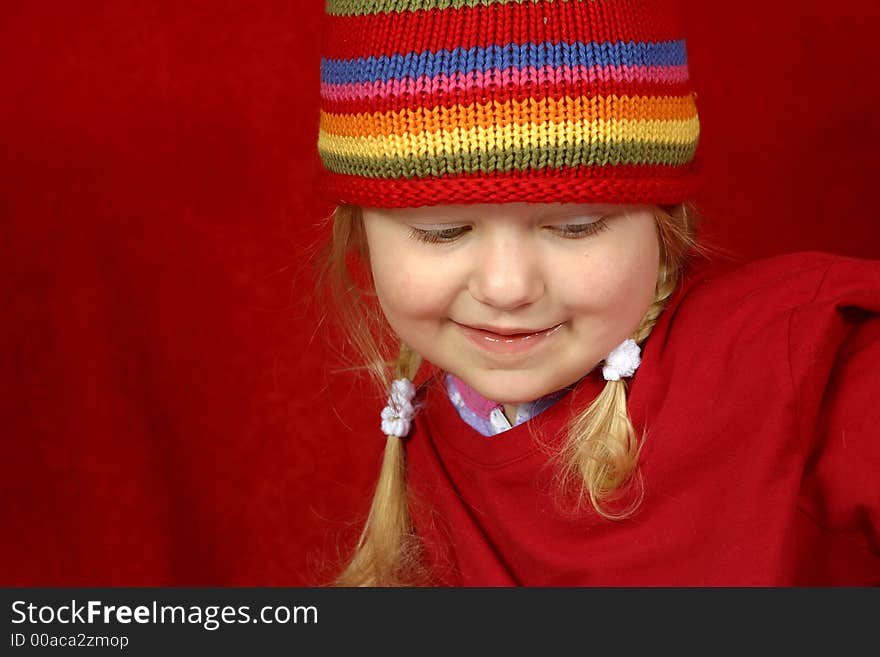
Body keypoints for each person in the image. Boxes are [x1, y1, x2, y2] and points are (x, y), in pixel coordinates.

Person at [314, 0, 879, 586]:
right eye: (444, 231)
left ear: (666, 224)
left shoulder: (793, 364)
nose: (507, 288)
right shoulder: (434, 441)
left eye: (575, 226)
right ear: (359, 234)